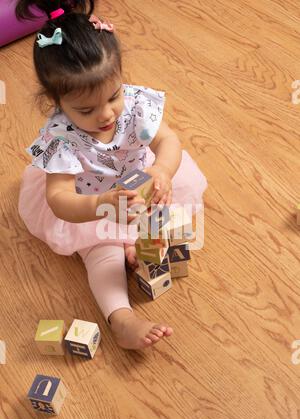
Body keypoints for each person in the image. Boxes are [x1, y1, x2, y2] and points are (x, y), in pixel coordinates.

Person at [16, 0, 208, 349]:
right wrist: (102, 204)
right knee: (100, 252)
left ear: (121, 77)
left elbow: (168, 139)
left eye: (113, 96)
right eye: (86, 110)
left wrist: (162, 171)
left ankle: (135, 242)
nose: (106, 115)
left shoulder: (134, 104)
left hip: (141, 181)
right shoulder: (60, 139)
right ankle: (120, 318)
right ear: (56, 102)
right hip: (91, 203)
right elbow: (58, 200)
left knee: (166, 211)